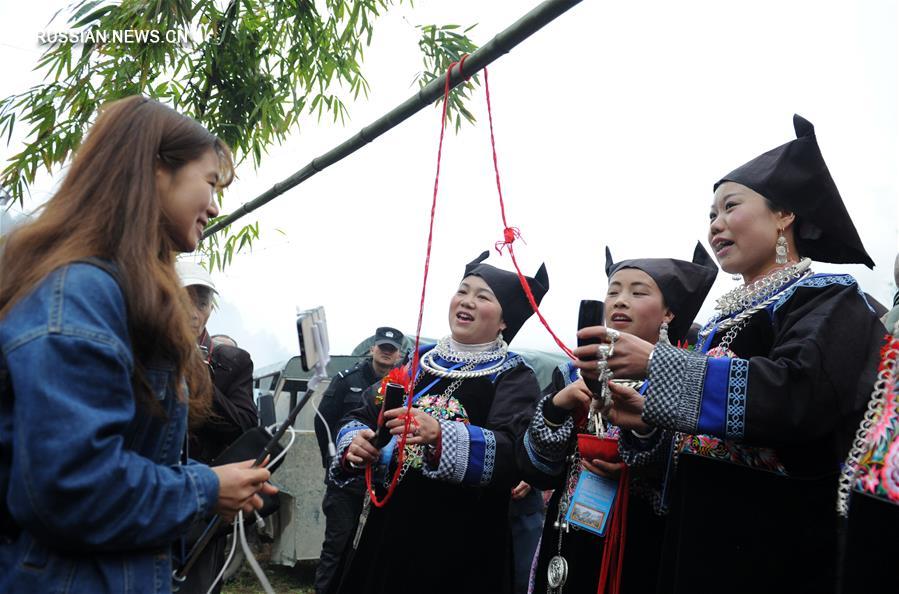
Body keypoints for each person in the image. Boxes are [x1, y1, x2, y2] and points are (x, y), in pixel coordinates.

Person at [593, 115, 883, 593]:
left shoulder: (831, 298)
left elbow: (797, 394)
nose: (716, 224)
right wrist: (646, 419)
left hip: (776, 541)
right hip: (694, 534)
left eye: (730, 207)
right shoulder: (718, 327)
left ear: (784, 215)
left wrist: (660, 366)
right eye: (711, 214)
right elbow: (686, 450)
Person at [0, 96, 276, 593]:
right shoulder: (82, 294)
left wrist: (209, 479)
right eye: (210, 183)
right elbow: (74, 486)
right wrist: (205, 486)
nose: (215, 206)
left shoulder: (120, 293)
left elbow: (123, 452)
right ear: (155, 170)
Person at [329, 251, 549, 594]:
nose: (467, 301)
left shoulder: (513, 376)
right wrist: (356, 441)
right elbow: (362, 413)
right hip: (390, 528)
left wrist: (441, 435)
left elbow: (513, 452)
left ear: (505, 320)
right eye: (463, 291)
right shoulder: (419, 363)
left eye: (482, 296)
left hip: (462, 543)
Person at [522, 243, 717, 594]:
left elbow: (686, 474)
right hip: (568, 533)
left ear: (669, 313)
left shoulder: (684, 382)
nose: (620, 300)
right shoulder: (571, 375)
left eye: (637, 292)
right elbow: (537, 469)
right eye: (613, 291)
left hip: (641, 539)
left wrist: (635, 461)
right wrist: (555, 408)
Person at [174, 261, 259, 594]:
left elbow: (243, 424)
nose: (194, 312)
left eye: (202, 302)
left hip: (209, 500)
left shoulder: (232, 361)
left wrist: (197, 374)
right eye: (185, 299)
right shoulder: (147, 350)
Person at [313, 326, 404, 594]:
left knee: (371, 551)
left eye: (392, 349)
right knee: (336, 548)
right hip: (347, 483)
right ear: (372, 349)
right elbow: (324, 422)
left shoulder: (407, 386)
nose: (386, 353)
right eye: (382, 347)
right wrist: (336, 461)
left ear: (399, 355)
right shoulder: (346, 379)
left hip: (382, 487)